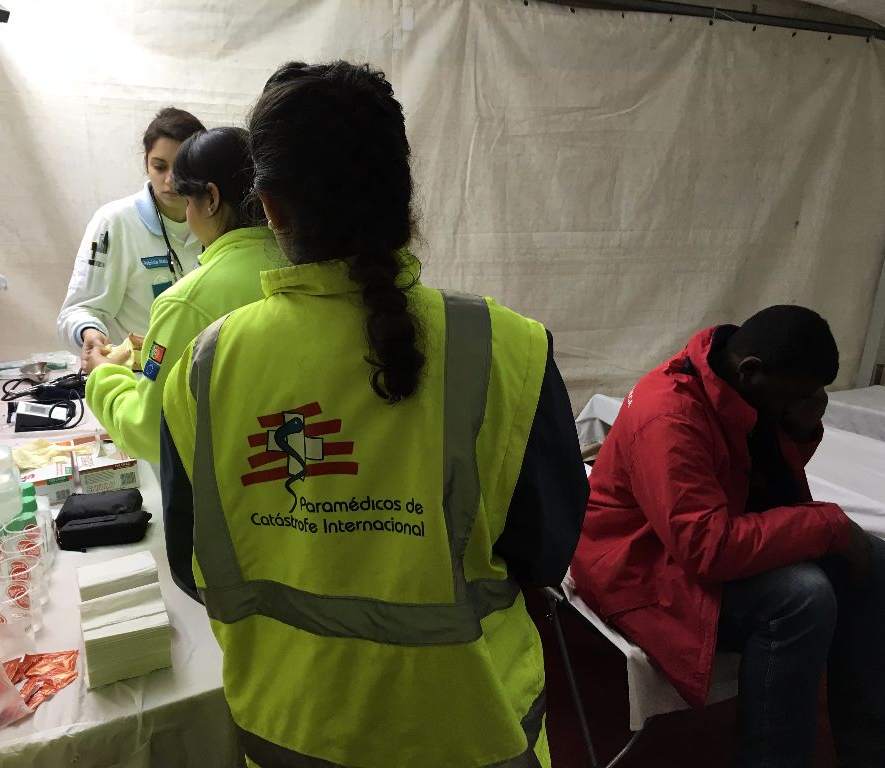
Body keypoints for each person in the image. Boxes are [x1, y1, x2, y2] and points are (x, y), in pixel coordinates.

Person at [160, 61, 588, 767]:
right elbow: (546, 553)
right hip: (474, 739)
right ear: (404, 198)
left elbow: (190, 563)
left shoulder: (205, 368)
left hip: (292, 738)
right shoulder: (508, 350)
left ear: (269, 209)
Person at [570, 305, 885, 768]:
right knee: (803, 595)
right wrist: (827, 525)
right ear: (750, 371)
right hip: (636, 563)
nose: (803, 402)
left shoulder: (736, 385)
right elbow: (707, 549)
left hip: (693, 539)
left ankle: (879, 757)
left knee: (874, 558)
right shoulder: (669, 416)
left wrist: (800, 428)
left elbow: (766, 482)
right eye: (795, 396)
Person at [82, 127, 276, 464]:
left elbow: (149, 432)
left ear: (211, 199)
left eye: (188, 201)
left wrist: (103, 376)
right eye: (159, 166)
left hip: (231, 474)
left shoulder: (186, 303)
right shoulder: (303, 266)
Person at [57, 107, 206, 369]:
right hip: (138, 380)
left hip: (201, 375)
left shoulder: (218, 220)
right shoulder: (113, 223)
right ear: (146, 162)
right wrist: (89, 332)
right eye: (159, 166)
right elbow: (77, 311)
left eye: (182, 168)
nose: (170, 180)